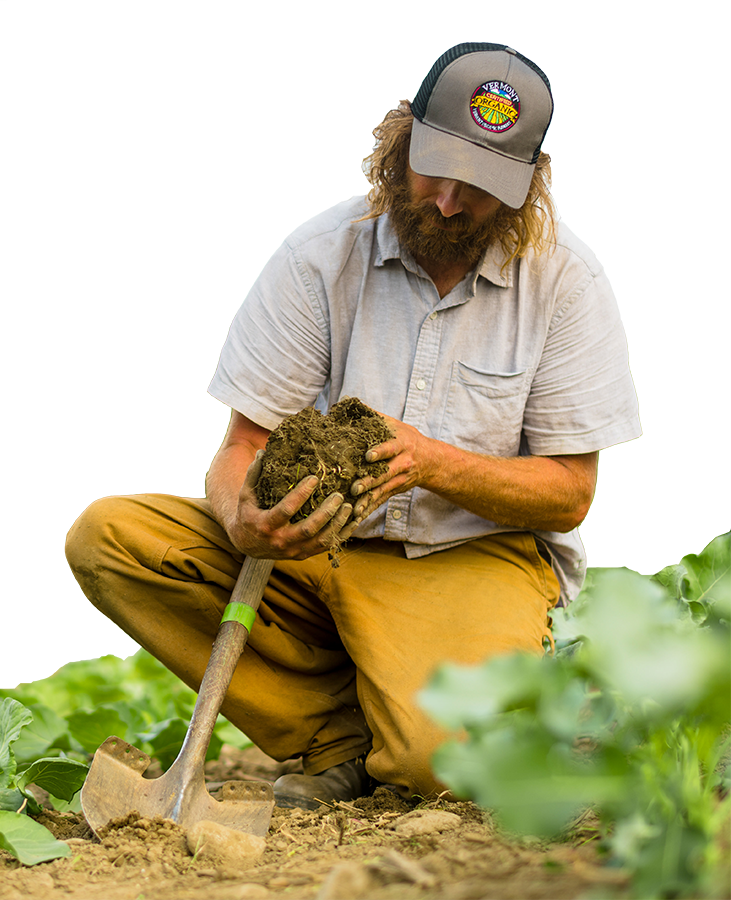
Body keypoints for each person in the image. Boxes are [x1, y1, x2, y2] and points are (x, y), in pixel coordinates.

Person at [65, 42, 641, 807]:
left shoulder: (567, 285)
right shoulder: (317, 261)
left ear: (527, 187)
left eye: (481, 186)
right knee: (110, 538)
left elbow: (569, 494)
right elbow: (245, 448)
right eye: (435, 168)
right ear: (400, 140)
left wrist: (432, 462)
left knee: (445, 767)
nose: (447, 201)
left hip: (469, 556)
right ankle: (336, 736)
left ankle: (446, 715)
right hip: (315, 551)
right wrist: (245, 520)